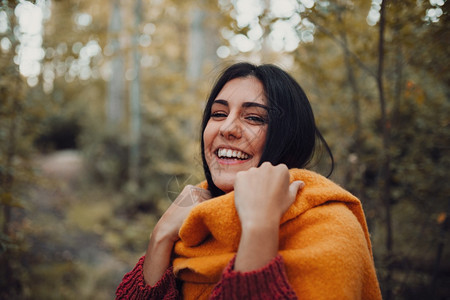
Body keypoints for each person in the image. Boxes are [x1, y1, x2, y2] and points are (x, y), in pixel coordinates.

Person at [115, 62, 382, 299]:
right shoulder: (196, 221)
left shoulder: (331, 228)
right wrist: (160, 237)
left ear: (288, 136)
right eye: (218, 114)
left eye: (254, 117)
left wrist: (259, 228)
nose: (227, 128)